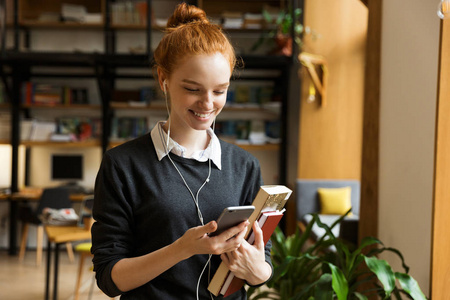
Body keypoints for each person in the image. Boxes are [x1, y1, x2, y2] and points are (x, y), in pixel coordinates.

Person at [91, 3, 272, 299]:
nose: (208, 103)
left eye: (219, 90)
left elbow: (264, 262)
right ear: (163, 79)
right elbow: (110, 279)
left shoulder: (244, 166)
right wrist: (183, 249)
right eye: (193, 88)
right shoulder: (123, 165)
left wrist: (259, 271)